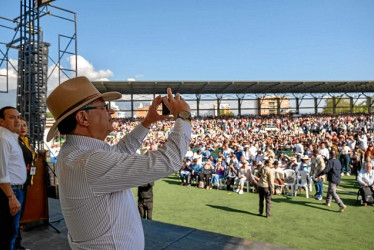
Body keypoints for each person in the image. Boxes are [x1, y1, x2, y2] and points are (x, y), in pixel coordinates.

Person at [45, 76, 191, 249]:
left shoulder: (75, 153)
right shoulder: (89, 161)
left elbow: (120, 151)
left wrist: (147, 122)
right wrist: (184, 116)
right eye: (104, 107)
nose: (111, 112)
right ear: (83, 118)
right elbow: (168, 161)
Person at [0, 106, 26, 250]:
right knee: (8, 234)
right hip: (10, 192)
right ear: (1, 121)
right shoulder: (3, 139)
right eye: (12, 117)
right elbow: (1, 173)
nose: (17, 120)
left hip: (15, 191)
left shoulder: (10, 137)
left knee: (11, 232)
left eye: (18, 116)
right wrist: (11, 196)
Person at [15, 117, 36, 250]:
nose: (23, 128)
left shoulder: (26, 141)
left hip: (26, 181)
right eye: (19, 125)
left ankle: (17, 242)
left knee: (19, 216)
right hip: (16, 183)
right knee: (15, 217)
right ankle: (17, 244)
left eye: (25, 125)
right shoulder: (14, 142)